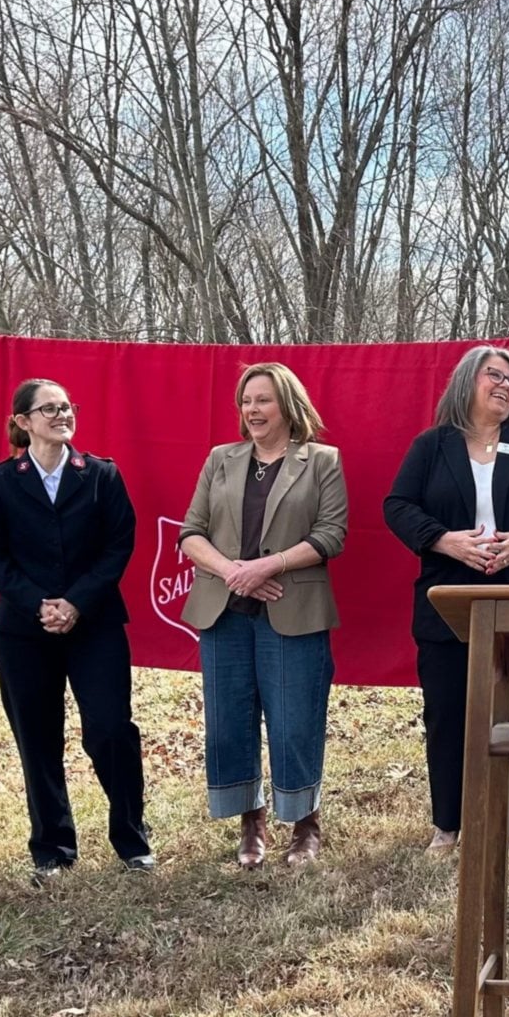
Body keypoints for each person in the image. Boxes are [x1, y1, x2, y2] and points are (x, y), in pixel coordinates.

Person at [384, 345, 509, 852]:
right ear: (467, 382)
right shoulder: (432, 446)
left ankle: (507, 829)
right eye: (494, 374)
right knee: (447, 713)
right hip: (450, 600)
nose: (506, 384)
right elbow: (397, 505)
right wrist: (442, 538)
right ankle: (447, 827)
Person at [0, 379, 154, 877]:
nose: (61, 415)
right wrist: (38, 603)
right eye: (48, 409)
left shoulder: (100, 475)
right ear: (24, 422)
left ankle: (132, 839)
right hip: (24, 631)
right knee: (38, 736)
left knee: (111, 730)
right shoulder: (0, 481)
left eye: (67, 407)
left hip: (95, 624)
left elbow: (120, 544)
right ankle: (53, 849)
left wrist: (76, 602)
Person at [179, 363, 347, 868]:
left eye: (263, 401)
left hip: (293, 610)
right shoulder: (220, 460)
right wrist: (235, 572)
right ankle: (250, 821)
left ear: (287, 405)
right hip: (224, 612)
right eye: (246, 402)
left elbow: (331, 535)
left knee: (296, 723)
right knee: (229, 723)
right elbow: (191, 533)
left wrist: (268, 566)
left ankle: (304, 824)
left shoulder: (321, 461)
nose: (252, 410)